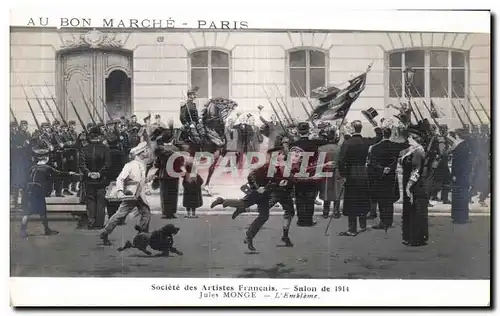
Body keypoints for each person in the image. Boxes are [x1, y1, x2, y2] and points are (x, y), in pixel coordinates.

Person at [99, 142, 154, 245]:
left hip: (139, 195)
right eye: (146, 150)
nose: (147, 152)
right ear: (141, 153)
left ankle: (143, 235)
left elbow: (141, 180)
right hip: (131, 195)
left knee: (146, 213)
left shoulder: (142, 164)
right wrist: (120, 191)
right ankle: (105, 232)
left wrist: (146, 186)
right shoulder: (130, 165)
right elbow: (120, 178)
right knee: (120, 214)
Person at [20, 148, 79, 238]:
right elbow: (59, 174)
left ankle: (23, 231)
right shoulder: (47, 168)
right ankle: (47, 230)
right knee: (42, 212)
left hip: (28, 190)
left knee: (27, 212)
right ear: (46, 158)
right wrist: (69, 173)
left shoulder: (32, 167)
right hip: (38, 191)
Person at [366, 126, 408, 230]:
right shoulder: (395, 146)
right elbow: (406, 143)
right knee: (389, 199)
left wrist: (381, 169)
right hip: (392, 176)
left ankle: (383, 221)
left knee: (381, 199)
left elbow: (372, 163)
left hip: (380, 176)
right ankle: (389, 221)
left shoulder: (375, 147)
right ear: (390, 134)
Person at [338, 120, 371, 236]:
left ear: (352, 129)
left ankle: (352, 229)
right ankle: (363, 225)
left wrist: (343, 175)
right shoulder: (366, 142)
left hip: (351, 173)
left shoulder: (347, 143)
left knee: (352, 200)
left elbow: (341, 161)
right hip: (363, 173)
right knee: (362, 198)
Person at [399, 127, 429, 246]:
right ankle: (409, 236)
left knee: (415, 210)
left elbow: (417, 170)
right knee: (409, 209)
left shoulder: (418, 151)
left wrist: (409, 186)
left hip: (415, 184)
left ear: (414, 138)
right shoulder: (411, 149)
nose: (408, 139)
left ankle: (416, 238)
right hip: (409, 181)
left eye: (410, 137)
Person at [79, 127, 112, 229]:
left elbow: (82, 164)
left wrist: (88, 173)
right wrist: (99, 173)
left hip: (88, 180)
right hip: (101, 180)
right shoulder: (105, 149)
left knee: (90, 200)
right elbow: (108, 164)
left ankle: (91, 222)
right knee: (101, 200)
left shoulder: (84, 149)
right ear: (99, 137)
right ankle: (99, 223)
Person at [318, 128, 343, 219]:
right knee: (337, 191)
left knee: (326, 191)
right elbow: (342, 161)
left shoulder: (321, 149)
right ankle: (336, 212)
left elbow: (320, 163)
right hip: (337, 171)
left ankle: (325, 212)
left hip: (326, 171)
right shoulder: (339, 148)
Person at [451, 128, 471, 224]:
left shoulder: (459, 145)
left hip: (459, 174)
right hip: (464, 174)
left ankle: (458, 217)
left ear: (457, 135)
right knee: (463, 195)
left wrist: (454, 174)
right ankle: (463, 216)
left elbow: (457, 162)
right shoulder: (466, 145)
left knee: (458, 195)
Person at [106, 134, 127, 219]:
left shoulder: (106, 152)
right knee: (119, 196)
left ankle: (111, 215)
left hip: (108, 176)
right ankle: (120, 217)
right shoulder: (121, 153)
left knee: (109, 196)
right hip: (119, 176)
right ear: (117, 143)